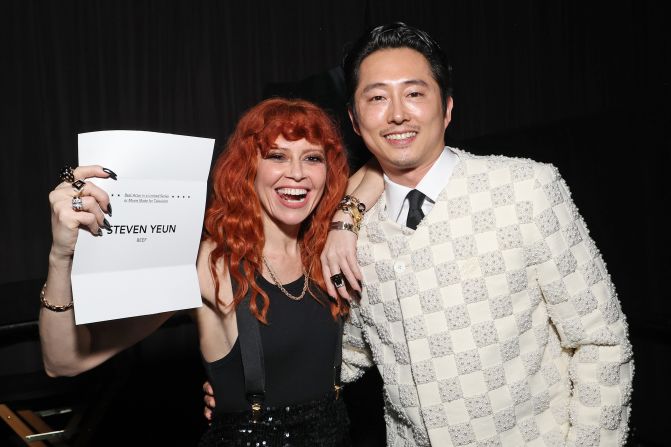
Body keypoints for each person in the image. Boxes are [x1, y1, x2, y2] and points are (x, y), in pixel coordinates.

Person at [318, 22, 634, 446]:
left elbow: (600, 340)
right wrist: (243, 384)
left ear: (447, 108)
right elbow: (348, 353)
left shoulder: (525, 188)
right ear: (355, 121)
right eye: (376, 98)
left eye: (414, 93)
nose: (396, 113)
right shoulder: (356, 233)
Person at [39, 97, 380, 446]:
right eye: (277, 156)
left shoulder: (326, 247)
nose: (297, 172)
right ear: (248, 168)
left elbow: (386, 166)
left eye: (312, 158)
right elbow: (63, 361)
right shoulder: (208, 264)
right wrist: (60, 257)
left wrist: (345, 217)